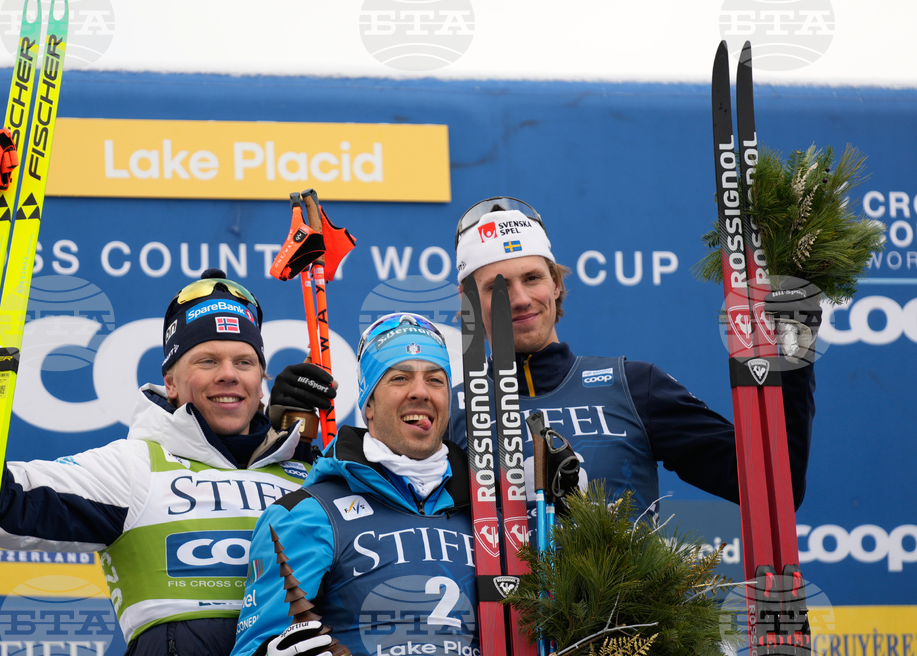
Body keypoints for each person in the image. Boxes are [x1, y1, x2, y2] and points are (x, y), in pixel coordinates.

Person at [0, 269, 336, 656]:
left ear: (261, 381)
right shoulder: (134, 468)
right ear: (170, 382)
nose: (228, 374)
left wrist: (303, 450)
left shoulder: (309, 479)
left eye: (244, 362)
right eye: (207, 361)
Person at [449, 197, 818, 517]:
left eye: (532, 278)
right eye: (497, 287)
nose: (519, 299)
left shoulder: (634, 386)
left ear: (556, 284)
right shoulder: (450, 412)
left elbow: (774, 488)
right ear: (468, 303)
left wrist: (793, 351)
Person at [230, 313, 479, 656]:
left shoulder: (487, 512)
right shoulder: (304, 515)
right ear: (369, 404)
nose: (421, 392)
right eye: (400, 378)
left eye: (435, 380)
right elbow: (255, 645)